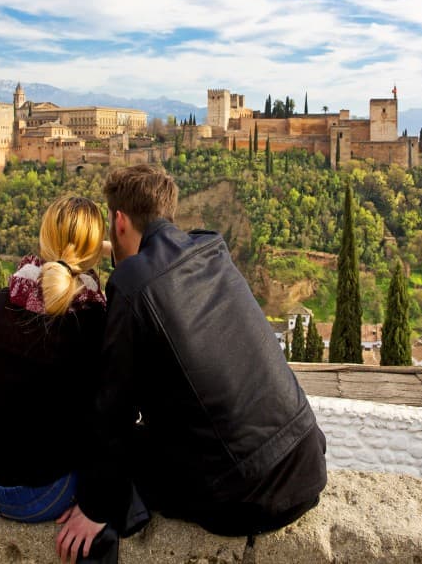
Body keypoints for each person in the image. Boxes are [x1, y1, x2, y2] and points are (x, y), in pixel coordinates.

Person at [56, 164, 327, 561]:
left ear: (118, 221)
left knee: (106, 442)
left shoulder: (132, 283)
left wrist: (96, 507)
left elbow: (111, 412)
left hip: (244, 498)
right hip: (306, 461)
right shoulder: (212, 248)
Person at [0, 196, 109, 528]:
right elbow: (103, 418)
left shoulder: (5, 300)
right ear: (95, 250)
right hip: (39, 494)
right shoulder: (93, 317)